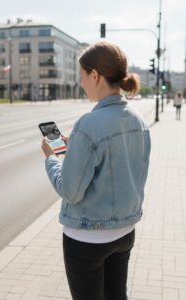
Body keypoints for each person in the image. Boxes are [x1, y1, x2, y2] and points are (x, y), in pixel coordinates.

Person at [41, 41, 151, 300]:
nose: (81, 82)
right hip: (125, 231)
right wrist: (77, 147)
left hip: (87, 237)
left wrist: (50, 159)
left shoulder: (89, 123)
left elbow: (70, 191)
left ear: (95, 75)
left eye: (82, 76)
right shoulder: (139, 120)